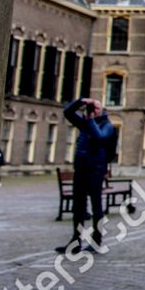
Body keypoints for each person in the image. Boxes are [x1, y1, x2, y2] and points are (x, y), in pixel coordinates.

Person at [56, 97, 118, 254]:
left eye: (96, 108)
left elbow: (100, 137)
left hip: (96, 170)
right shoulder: (84, 123)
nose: (93, 111)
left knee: (96, 206)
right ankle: (75, 241)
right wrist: (81, 102)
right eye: (92, 108)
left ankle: (96, 241)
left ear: (102, 110)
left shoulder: (107, 125)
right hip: (81, 169)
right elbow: (67, 112)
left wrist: (90, 119)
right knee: (78, 207)